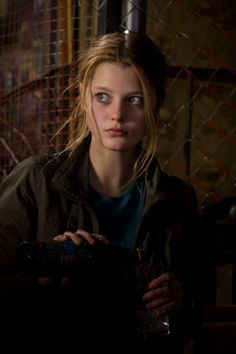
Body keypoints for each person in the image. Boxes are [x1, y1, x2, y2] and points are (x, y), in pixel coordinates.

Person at [0, 31, 200, 353]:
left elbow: (191, 314)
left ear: (155, 103)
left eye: (134, 100)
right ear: (83, 97)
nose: (117, 114)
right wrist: (44, 277)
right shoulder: (36, 182)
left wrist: (178, 300)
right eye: (103, 97)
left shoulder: (178, 201)